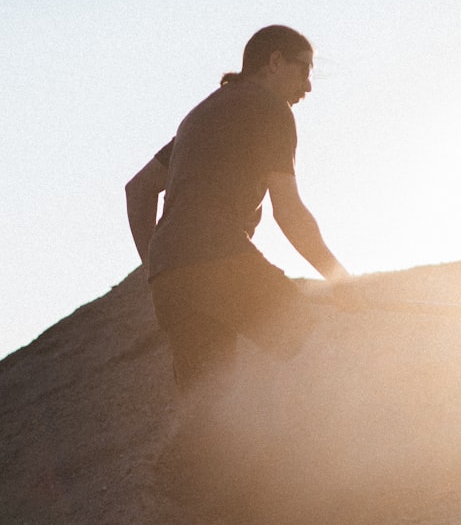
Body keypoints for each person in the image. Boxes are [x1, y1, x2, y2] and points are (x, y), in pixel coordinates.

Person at [125, 25, 353, 393]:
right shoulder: (270, 108)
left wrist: (156, 267)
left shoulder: (201, 116)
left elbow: (138, 189)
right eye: (304, 70)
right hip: (220, 258)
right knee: (312, 350)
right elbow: (289, 212)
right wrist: (340, 280)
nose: (308, 87)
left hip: (170, 282)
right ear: (275, 61)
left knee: (209, 405)